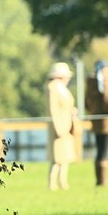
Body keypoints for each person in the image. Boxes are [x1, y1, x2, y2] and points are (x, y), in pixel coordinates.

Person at [85, 59, 108, 187]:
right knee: (104, 152)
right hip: (107, 123)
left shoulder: (91, 84)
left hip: (96, 122)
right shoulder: (105, 82)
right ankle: (102, 180)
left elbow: (87, 104)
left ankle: (99, 179)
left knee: (100, 150)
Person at [46, 63, 77, 191]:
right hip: (58, 127)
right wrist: (58, 128)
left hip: (66, 125)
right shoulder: (53, 88)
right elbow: (53, 109)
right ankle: (52, 183)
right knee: (56, 158)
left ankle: (63, 182)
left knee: (64, 157)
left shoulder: (62, 88)